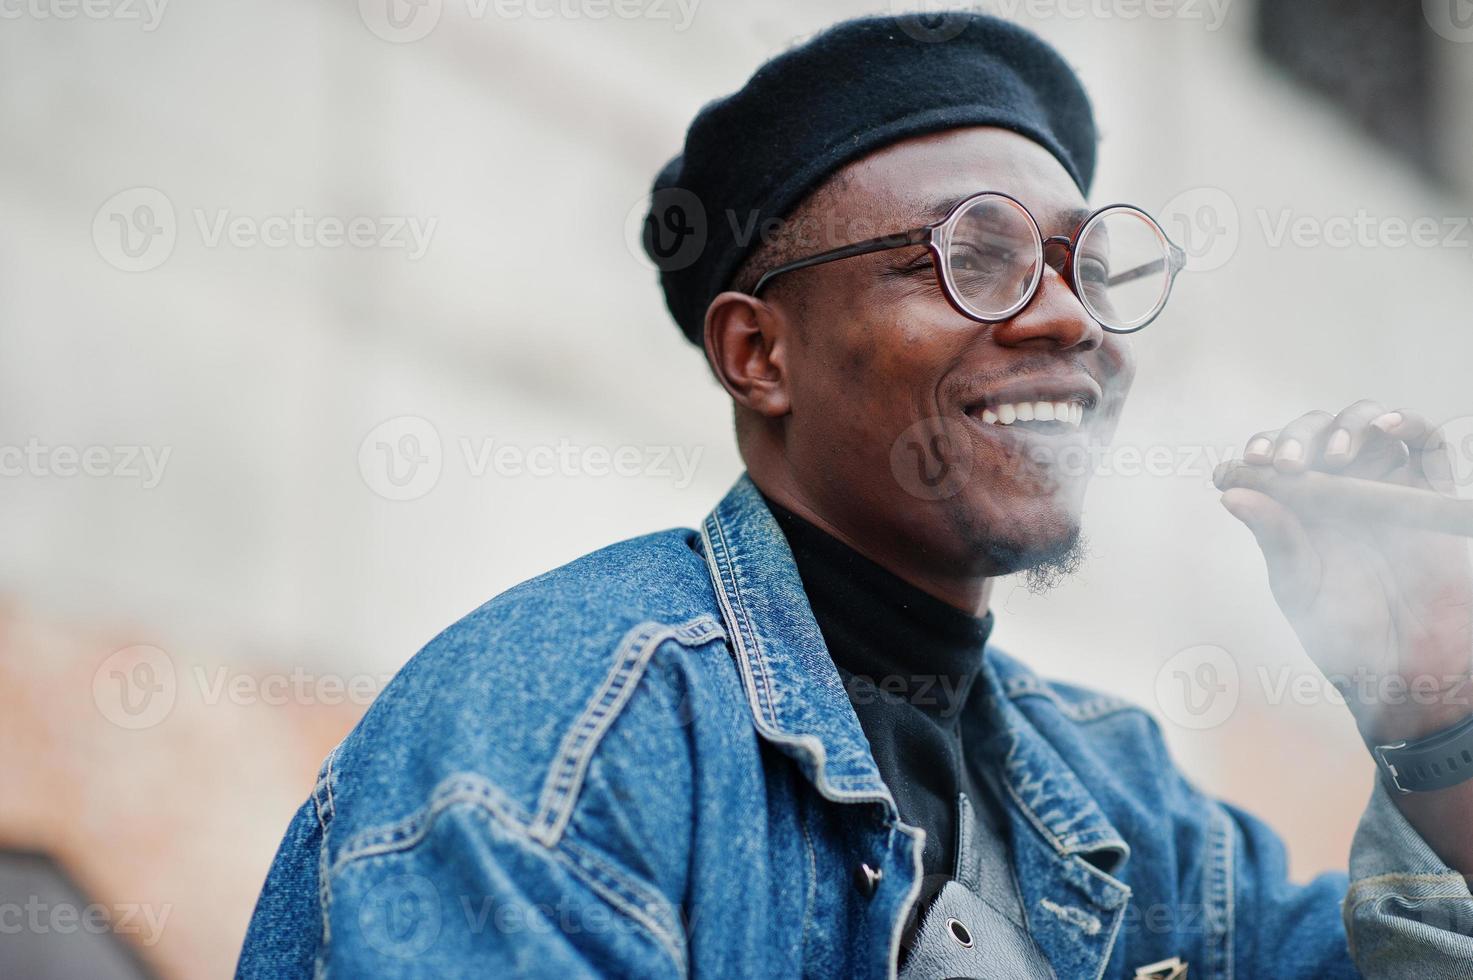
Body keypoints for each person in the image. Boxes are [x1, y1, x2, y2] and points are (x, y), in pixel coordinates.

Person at [237, 13, 1473, 978]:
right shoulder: (560, 731)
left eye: (1084, 265)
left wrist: (1433, 708)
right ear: (759, 353)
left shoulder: (1125, 792)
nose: (1063, 317)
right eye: (972, 257)